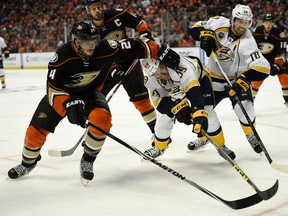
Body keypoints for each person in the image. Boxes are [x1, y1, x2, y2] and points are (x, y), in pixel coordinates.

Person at [7, 20, 161, 186]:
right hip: (64, 95)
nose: (91, 46)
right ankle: (28, 163)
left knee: (102, 120)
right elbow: (52, 89)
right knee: (34, 132)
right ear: (75, 41)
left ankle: (88, 159)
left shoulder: (105, 47)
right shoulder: (62, 56)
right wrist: (67, 104)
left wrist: (160, 51)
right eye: (86, 42)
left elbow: (136, 46)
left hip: (90, 94)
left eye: (94, 41)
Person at [188, 4, 270, 155]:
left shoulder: (248, 42)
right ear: (233, 19)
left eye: (246, 22)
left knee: (245, 107)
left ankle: (251, 135)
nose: (242, 26)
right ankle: (210, 140)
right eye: (240, 21)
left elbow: (264, 68)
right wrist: (204, 35)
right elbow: (194, 28)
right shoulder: (218, 23)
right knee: (204, 111)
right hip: (212, 80)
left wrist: (244, 80)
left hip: (236, 81)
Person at [140, 45, 235, 160]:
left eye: (161, 68)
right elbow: (159, 102)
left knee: (207, 112)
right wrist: (176, 108)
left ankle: (221, 146)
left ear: (165, 62)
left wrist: (197, 111)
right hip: (177, 90)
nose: (161, 75)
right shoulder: (150, 80)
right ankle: (159, 147)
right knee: (164, 117)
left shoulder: (181, 68)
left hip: (199, 80)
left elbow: (194, 91)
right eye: (155, 73)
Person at [84, 0, 157, 135]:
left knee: (142, 100)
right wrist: (113, 69)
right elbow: (92, 57)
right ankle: (93, 133)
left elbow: (138, 22)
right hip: (106, 68)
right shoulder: (88, 31)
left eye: (98, 7)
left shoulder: (115, 15)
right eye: (93, 8)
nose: (97, 11)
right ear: (88, 11)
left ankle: (158, 133)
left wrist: (144, 32)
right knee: (95, 99)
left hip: (130, 62)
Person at [251, 13, 288, 107]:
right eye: (266, 22)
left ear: (273, 23)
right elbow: (251, 46)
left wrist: (277, 65)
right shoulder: (257, 31)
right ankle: (249, 103)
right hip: (263, 60)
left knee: (285, 79)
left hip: (278, 59)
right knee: (255, 82)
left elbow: (282, 52)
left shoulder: (279, 33)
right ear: (263, 23)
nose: (268, 25)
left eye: (270, 22)